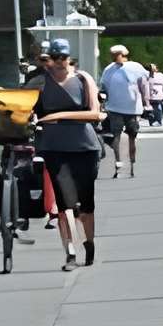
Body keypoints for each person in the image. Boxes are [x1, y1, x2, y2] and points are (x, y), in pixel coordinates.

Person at [29, 39, 105, 266]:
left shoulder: (83, 79)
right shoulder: (39, 82)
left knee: (85, 202)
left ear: (69, 58)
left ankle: (88, 242)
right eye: (54, 58)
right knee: (64, 203)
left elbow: (94, 114)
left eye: (63, 57)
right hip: (54, 147)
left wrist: (57, 117)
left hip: (84, 146)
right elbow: (22, 105)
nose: (59, 62)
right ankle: (70, 251)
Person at [97, 44, 147, 177]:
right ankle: (118, 164)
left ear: (123, 55)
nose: (113, 57)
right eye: (112, 55)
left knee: (132, 136)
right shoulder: (109, 69)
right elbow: (104, 87)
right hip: (114, 108)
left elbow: (143, 85)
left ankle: (132, 163)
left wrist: (147, 103)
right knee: (116, 136)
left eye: (116, 55)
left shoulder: (135, 67)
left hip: (132, 108)